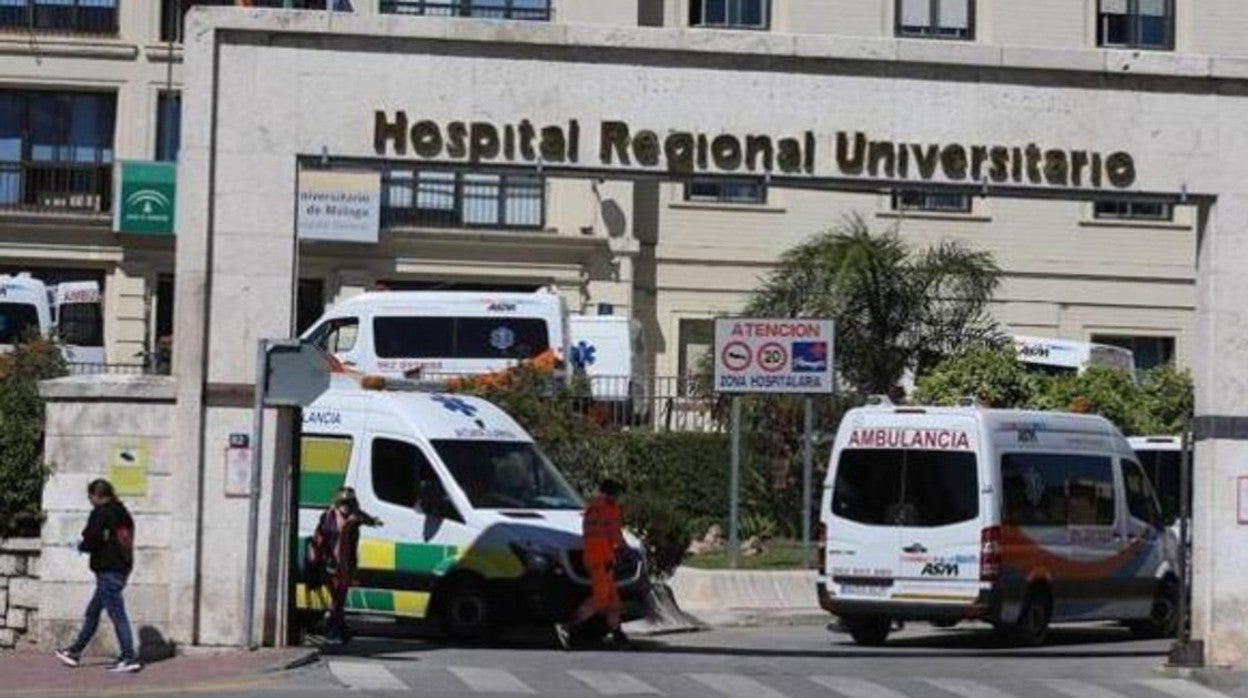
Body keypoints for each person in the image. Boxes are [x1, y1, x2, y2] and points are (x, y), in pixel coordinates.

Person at [55, 479, 141, 673]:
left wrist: (80, 545)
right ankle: (74, 652)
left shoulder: (101, 513)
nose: (90, 501)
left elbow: (92, 538)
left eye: (90, 497)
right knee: (93, 611)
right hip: (122, 568)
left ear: (98, 495)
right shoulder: (122, 512)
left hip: (108, 570)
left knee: (117, 614)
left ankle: (129, 657)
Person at [555, 479, 629, 650]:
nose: (619, 498)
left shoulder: (593, 506)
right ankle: (568, 626)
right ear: (613, 493)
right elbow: (614, 532)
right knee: (601, 598)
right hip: (602, 558)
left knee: (613, 600)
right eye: (618, 493)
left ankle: (618, 635)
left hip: (594, 556)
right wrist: (624, 550)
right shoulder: (609, 507)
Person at [308, 487, 382, 642]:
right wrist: (316, 558)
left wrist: (374, 521)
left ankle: (338, 629)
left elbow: (366, 519)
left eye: (349, 502)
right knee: (337, 598)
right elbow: (319, 538)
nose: (345, 506)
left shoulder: (355, 516)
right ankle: (334, 629)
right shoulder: (328, 517)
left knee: (340, 599)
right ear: (337, 502)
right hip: (330, 563)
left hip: (347, 563)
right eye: (343, 502)